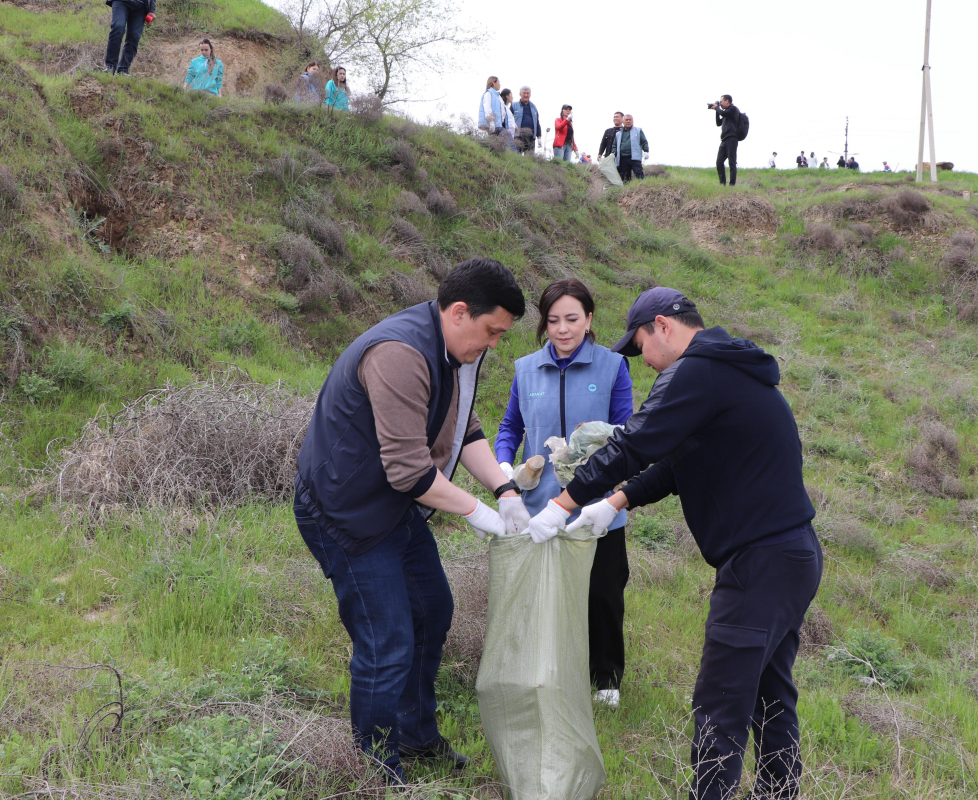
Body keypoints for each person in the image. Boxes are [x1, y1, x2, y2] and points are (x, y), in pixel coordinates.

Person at [522, 286, 821, 800]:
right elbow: (680, 461)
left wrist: (561, 505)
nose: (642, 362)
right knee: (768, 694)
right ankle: (777, 793)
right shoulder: (727, 371)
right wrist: (612, 504)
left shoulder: (694, 372)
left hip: (761, 562)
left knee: (720, 701)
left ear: (662, 326)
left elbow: (635, 442)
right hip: (790, 555)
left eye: (639, 347)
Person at [294, 258, 528, 785]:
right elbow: (408, 471)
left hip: (394, 504)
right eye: (492, 332)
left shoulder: (459, 349)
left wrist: (506, 488)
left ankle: (416, 736)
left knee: (431, 611)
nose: (493, 344)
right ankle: (376, 767)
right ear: (461, 312)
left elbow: (464, 427)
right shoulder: (400, 353)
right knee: (388, 638)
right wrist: (480, 513)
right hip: (345, 509)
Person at [495, 279, 635, 708]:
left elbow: (629, 434)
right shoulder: (525, 368)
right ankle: (546, 670)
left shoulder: (612, 366)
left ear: (589, 319)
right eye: (553, 320)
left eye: (572, 319)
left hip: (596, 505)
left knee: (602, 592)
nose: (562, 329)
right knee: (543, 591)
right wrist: (505, 465)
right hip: (538, 505)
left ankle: (606, 679)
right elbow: (510, 428)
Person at [104, 0, 155, 75]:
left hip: (141, 6)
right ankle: (110, 66)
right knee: (118, 28)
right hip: (121, 2)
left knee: (134, 36)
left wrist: (152, 10)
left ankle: (123, 69)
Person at [712, 95, 743, 186]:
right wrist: (716, 111)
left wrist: (717, 108)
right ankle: (722, 184)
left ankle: (732, 184)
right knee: (719, 162)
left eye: (721, 101)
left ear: (727, 101)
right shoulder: (725, 112)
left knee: (732, 162)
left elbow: (723, 113)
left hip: (732, 138)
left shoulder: (733, 109)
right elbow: (718, 123)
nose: (720, 103)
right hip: (724, 139)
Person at [613, 113, 649, 182]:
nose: (628, 121)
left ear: (632, 121)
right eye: (626, 120)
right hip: (623, 158)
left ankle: (642, 188)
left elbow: (644, 142)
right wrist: (613, 154)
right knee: (624, 177)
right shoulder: (618, 134)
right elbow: (614, 145)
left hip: (635, 157)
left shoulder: (638, 131)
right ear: (623, 122)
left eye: (630, 120)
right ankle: (626, 191)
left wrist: (646, 151)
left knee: (639, 175)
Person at [511, 86, 542, 154]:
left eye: (528, 93)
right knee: (516, 156)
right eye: (524, 93)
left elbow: (537, 123)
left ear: (530, 94)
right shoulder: (513, 105)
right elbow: (509, 120)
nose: (526, 95)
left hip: (531, 137)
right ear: (520, 94)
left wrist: (539, 137)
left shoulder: (534, 107)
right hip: (518, 136)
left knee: (530, 160)